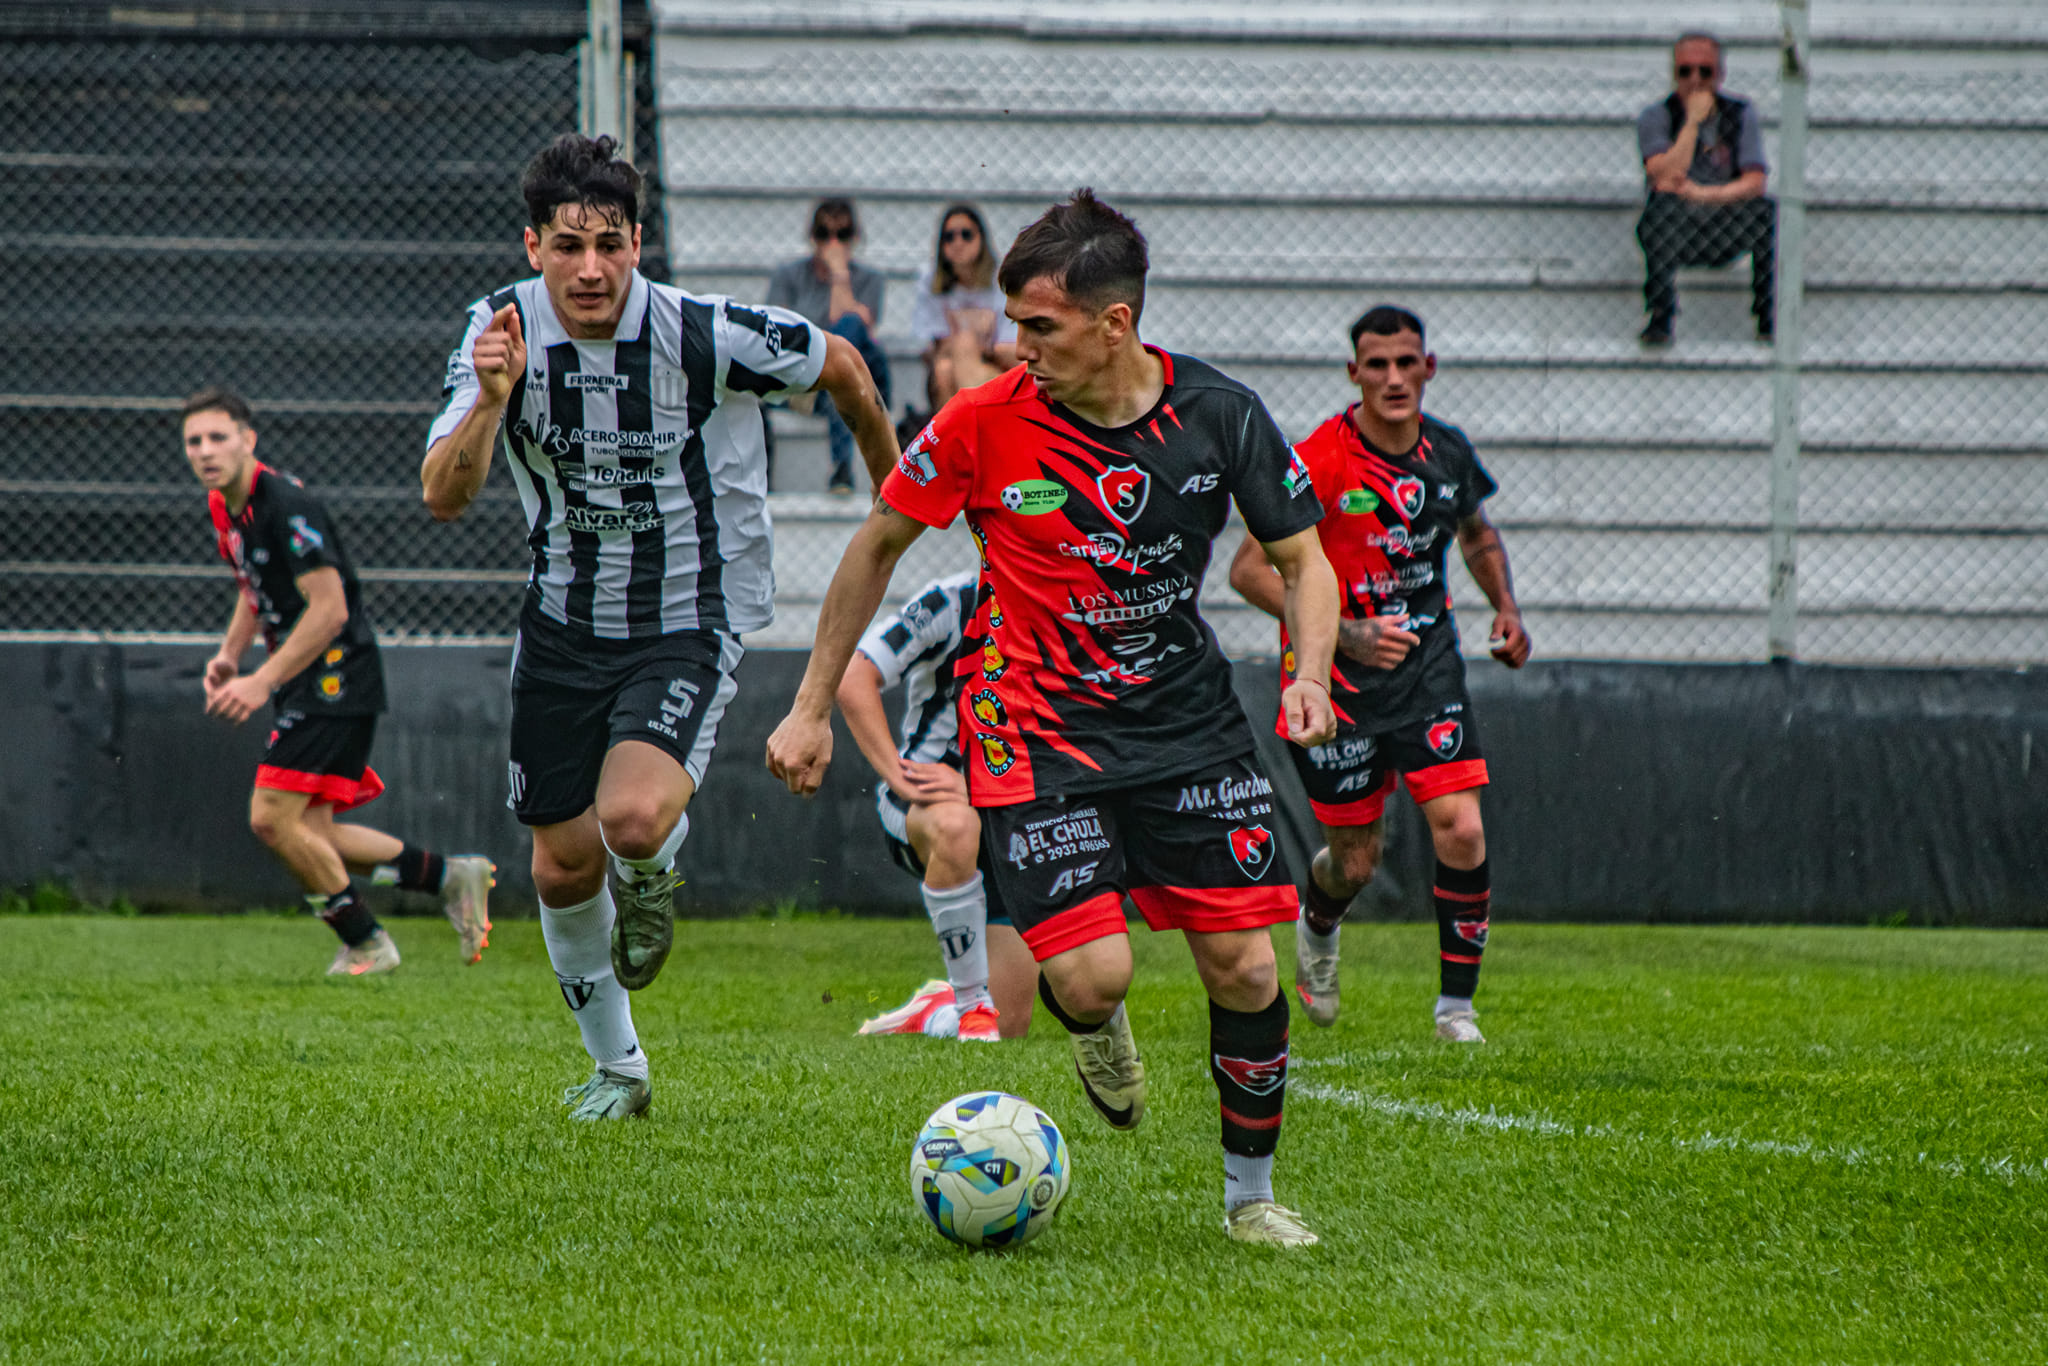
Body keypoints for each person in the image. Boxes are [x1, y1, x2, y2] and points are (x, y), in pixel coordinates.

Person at [767, 189, 1342, 1247]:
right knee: (1089, 976)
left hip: (1187, 726)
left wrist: (1309, 673)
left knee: (1247, 967)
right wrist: (809, 707)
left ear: (1111, 323)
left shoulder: (1221, 416)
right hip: (1032, 733)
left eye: (1035, 327)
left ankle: (1248, 1196)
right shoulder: (982, 420)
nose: (1009, 347)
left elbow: (1305, 561)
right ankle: (1095, 1027)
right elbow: (874, 546)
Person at [420, 135, 897, 1121]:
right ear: (532, 245)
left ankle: (653, 872)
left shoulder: (702, 331)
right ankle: (620, 1070)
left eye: (608, 244)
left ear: (639, 243)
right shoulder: (495, 332)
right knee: (559, 861)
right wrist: (493, 402)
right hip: (558, 620)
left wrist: (897, 494)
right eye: (565, 246)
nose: (588, 268)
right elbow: (443, 495)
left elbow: (842, 364)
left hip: (688, 612)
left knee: (630, 820)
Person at [1228, 305, 1530, 1045]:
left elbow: (1475, 531)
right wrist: (1349, 635)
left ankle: (1456, 1009)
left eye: (1407, 363)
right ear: (1353, 373)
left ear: (1429, 368)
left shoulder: (1449, 454)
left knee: (1460, 827)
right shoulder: (1320, 460)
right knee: (1356, 863)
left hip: (1428, 671)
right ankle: (1320, 926)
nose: (1394, 379)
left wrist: (1507, 608)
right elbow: (1246, 571)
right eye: (1378, 364)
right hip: (1335, 684)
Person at [185, 387, 495, 976]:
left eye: (218, 437)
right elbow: (254, 589)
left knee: (271, 819)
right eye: (195, 441)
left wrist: (259, 682)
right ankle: (452, 876)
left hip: (335, 677)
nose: (206, 450)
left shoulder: (286, 504)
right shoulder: (223, 507)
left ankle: (366, 942)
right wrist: (229, 656)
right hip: (303, 677)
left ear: (248, 441)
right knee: (312, 829)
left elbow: (329, 611)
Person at [837, 568, 1037, 1042]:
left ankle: (936, 1008)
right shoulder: (951, 600)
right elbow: (854, 677)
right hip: (930, 805)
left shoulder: (1078, 605)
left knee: (1014, 1024)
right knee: (955, 826)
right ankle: (971, 1010)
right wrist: (899, 777)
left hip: (1017, 814)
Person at [1635, 30, 1775, 346]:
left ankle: (1767, 319)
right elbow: (1663, 176)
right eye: (1685, 71)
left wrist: (1705, 194)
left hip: (1724, 222)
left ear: (1720, 74)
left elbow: (1755, 180)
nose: (1695, 80)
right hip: (1677, 228)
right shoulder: (1656, 116)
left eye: (1705, 71)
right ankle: (1660, 316)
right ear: (1674, 74)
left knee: (1766, 211)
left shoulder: (1740, 113)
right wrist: (1692, 123)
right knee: (1662, 208)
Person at [767, 198, 893, 495]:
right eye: (824, 234)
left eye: (843, 234)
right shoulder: (788, 276)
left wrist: (839, 274)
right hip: (809, 376)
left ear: (855, 239)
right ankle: (841, 468)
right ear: (812, 238)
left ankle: (842, 467)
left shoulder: (870, 279)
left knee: (849, 333)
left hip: (862, 376)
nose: (833, 243)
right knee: (841, 378)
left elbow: (853, 328)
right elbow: (777, 336)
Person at [910, 204, 1017, 411]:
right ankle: (983, 425)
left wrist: (974, 345)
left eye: (966, 235)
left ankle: (956, 438)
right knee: (946, 365)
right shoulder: (931, 280)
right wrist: (972, 339)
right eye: (949, 237)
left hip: (997, 366)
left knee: (949, 366)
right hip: (948, 366)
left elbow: (1010, 348)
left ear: (981, 239)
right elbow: (927, 347)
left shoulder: (1001, 280)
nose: (958, 243)